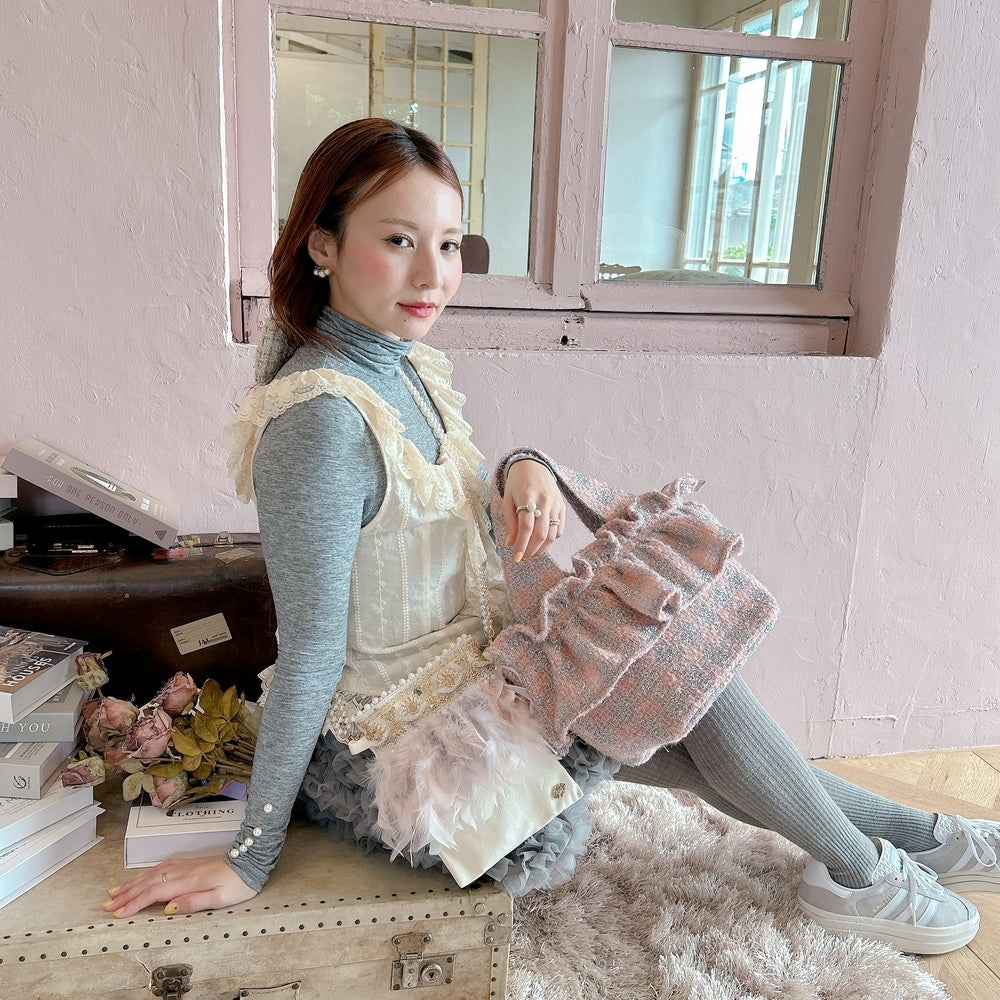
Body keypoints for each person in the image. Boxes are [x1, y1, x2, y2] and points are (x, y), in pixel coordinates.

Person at [104, 118, 1000, 957]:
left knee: (681, 695)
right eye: (399, 239)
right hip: (402, 746)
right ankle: (867, 868)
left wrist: (523, 464)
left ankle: (910, 842)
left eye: (449, 245)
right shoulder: (319, 421)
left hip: (477, 670)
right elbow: (307, 652)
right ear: (323, 245)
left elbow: (442, 513)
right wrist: (250, 854)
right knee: (675, 675)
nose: (432, 275)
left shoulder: (404, 369)